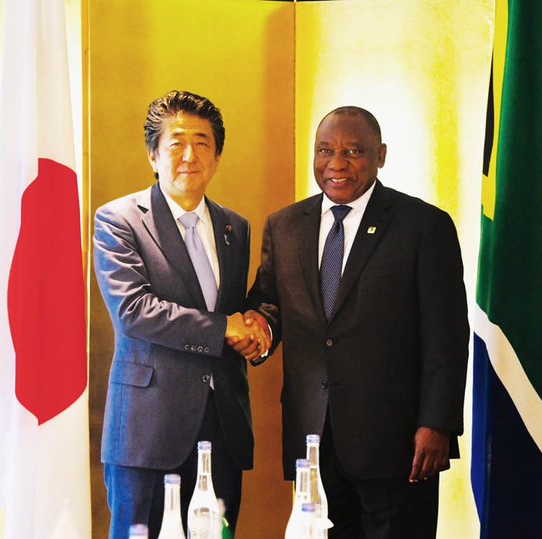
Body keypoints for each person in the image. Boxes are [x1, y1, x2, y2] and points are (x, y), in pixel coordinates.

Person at [233, 106, 469, 538]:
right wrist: (259, 331)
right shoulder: (284, 227)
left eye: (353, 151)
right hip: (314, 440)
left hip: (398, 444)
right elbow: (269, 304)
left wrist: (437, 423)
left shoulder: (423, 226)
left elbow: (447, 337)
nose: (336, 164)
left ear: (380, 155)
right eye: (325, 150)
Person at [93, 90, 270, 538]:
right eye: (175, 143)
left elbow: (232, 312)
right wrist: (223, 327)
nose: (189, 155)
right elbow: (133, 311)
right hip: (149, 432)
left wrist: (250, 332)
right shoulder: (118, 220)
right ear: (153, 154)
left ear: (217, 155)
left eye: (202, 142)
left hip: (223, 431)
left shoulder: (235, 226)